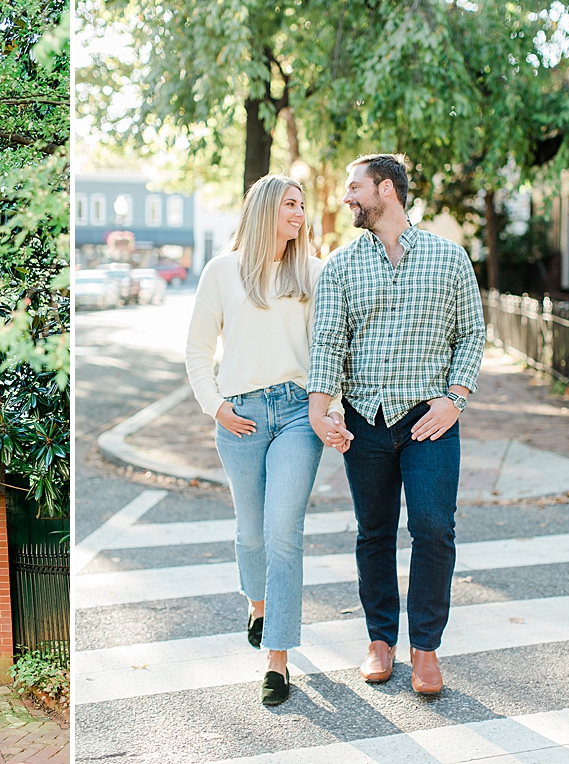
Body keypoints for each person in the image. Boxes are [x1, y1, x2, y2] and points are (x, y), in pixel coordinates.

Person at [307, 153, 485, 695]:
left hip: (430, 418)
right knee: (374, 534)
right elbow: (328, 344)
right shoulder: (340, 266)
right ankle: (380, 640)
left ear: (386, 189)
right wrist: (321, 408)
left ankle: (425, 648)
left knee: (434, 529)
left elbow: (472, 335)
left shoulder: (449, 259)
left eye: (355, 188)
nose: (347, 198)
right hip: (365, 422)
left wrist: (455, 398)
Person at [185, 174, 348, 706]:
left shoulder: (314, 274)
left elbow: (330, 355)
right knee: (250, 532)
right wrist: (218, 406)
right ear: (263, 211)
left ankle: (277, 659)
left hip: (299, 414)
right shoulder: (222, 272)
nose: (299, 214)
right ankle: (257, 603)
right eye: (290, 205)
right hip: (242, 417)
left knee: (283, 533)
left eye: (302, 205)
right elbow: (197, 350)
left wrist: (332, 412)